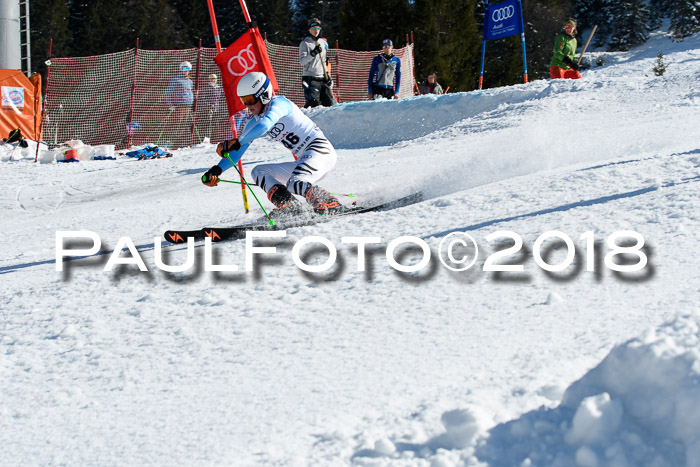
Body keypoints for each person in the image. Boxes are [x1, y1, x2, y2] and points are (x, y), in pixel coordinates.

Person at [201, 71, 342, 216]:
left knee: (295, 182)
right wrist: (216, 171)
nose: (247, 106)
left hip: (320, 151)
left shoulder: (280, 104)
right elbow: (238, 152)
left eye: (250, 100)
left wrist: (238, 141)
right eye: (244, 101)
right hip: (305, 160)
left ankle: (329, 202)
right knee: (259, 172)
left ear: (264, 95)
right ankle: (289, 206)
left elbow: (265, 125)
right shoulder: (254, 120)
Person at [299, 18, 335, 108]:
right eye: (314, 29)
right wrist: (313, 53)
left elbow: (324, 61)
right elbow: (302, 61)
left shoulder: (322, 43)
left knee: (329, 102)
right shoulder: (305, 43)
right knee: (313, 104)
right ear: (309, 29)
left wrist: (327, 75)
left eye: (318, 29)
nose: (316, 31)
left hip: (322, 77)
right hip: (310, 77)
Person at [165, 61, 194, 146]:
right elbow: (169, 92)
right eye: (184, 68)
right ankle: (170, 140)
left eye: (187, 69)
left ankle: (179, 141)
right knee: (177, 123)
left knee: (184, 124)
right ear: (181, 69)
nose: (185, 71)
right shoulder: (176, 79)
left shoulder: (190, 81)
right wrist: (170, 104)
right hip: (179, 105)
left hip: (188, 105)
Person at [199, 73, 223, 139]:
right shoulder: (206, 88)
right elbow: (202, 98)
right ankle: (204, 137)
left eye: (214, 79)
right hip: (207, 108)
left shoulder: (218, 88)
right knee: (206, 123)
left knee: (214, 123)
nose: (213, 80)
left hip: (216, 108)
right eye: (211, 79)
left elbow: (219, 98)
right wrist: (207, 105)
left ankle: (212, 137)